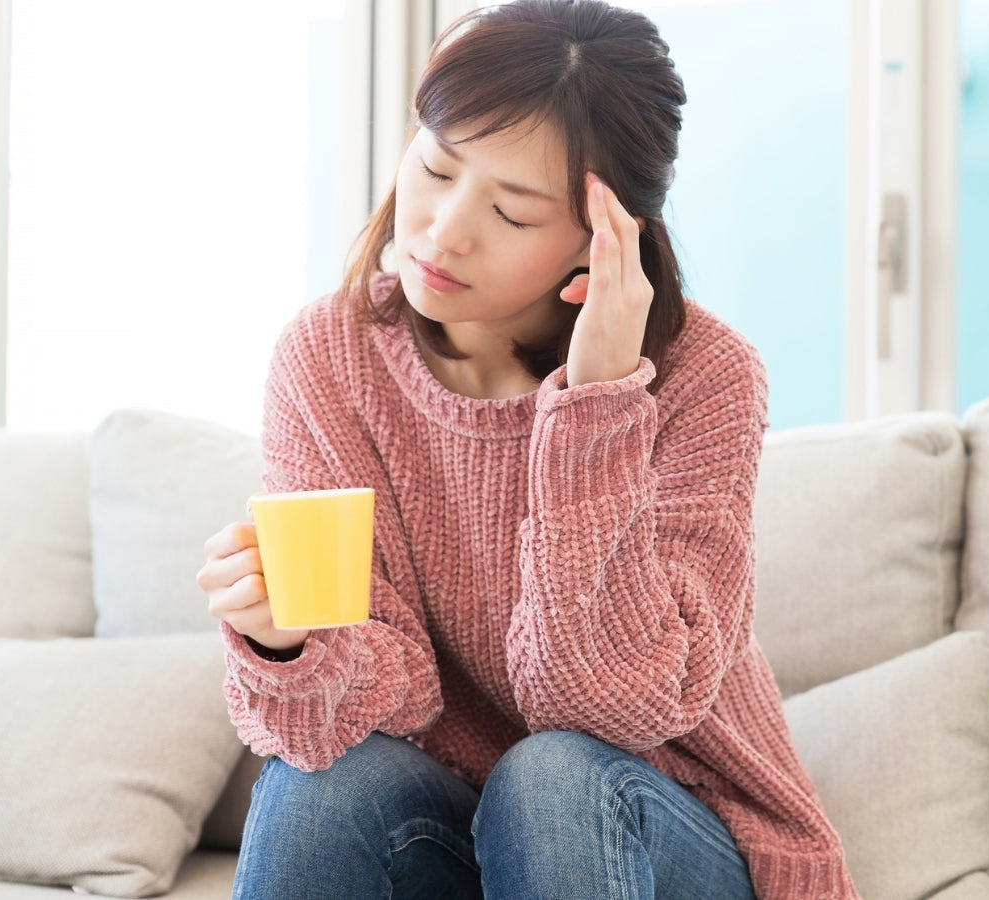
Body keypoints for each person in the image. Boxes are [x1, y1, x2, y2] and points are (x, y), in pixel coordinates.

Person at [197, 1, 860, 898]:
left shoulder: (707, 377)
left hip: (671, 830)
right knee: (321, 787)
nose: (444, 229)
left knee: (551, 778)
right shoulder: (331, 355)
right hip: (459, 828)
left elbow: (610, 705)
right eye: (436, 166)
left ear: (604, 237)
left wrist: (596, 406)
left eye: (512, 214)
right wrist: (289, 647)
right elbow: (385, 698)